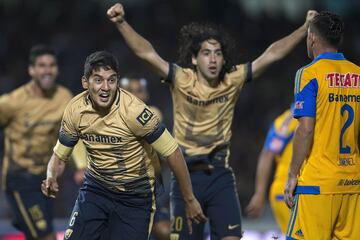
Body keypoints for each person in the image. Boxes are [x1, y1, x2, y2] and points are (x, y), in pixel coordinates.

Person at [107, 3, 317, 240]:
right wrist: (121, 23)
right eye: (206, 53)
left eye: (218, 53)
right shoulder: (180, 78)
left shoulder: (232, 79)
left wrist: (304, 28)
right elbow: (146, 53)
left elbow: (271, 55)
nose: (213, 59)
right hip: (186, 175)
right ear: (194, 59)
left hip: (220, 175)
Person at [41, 51, 206, 240]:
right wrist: (51, 176)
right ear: (85, 82)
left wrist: (189, 198)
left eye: (111, 80)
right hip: (96, 189)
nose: (105, 87)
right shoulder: (74, 110)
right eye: (98, 80)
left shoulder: (134, 111)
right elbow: (60, 154)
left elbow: (173, 152)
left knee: (163, 232)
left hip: (135, 196)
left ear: (117, 81)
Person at [284, 12, 360, 239]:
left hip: (317, 183)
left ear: (312, 38)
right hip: (352, 182)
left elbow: (306, 129)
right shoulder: (357, 74)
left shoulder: (309, 74)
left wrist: (291, 174)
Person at [0, 45, 84, 240]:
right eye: (41, 65)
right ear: (31, 70)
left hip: (46, 180)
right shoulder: (13, 102)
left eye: (52, 65)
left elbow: (74, 133)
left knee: (36, 233)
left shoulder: (63, 97)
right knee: (46, 236)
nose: (47, 70)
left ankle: (23, 219)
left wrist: (81, 165)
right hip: (20, 179)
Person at [120, 77, 170, 240]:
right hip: (120, 187)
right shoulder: (108, 118)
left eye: (139, 91)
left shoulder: (153, 114)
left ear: (146, 95)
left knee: (165, 232)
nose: (135, 96)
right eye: (130, 91)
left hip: (150, 186)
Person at [246, 105, 296, 234]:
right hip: (288, 190)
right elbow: (268, 154)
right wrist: (259, 193)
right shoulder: (293, 118)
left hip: (293, 189)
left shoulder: (286, 119)